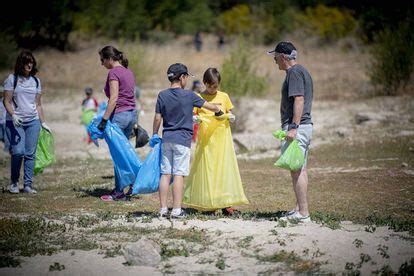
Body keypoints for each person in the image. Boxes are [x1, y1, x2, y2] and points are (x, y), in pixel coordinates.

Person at [151, 63, 222, 219]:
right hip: (182, 141)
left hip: (167, 139)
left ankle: (163, 209)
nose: (187, 81)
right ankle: (176, 210)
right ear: (182, 77)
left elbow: (157, 118)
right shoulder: (189, 95)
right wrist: (219, 110)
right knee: (178, 175)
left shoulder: (162, 95)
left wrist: (154, 134)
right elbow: (209, 106)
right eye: (187, 77)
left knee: (165, 174)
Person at [183, 68, 249, 215]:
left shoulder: (224, 96)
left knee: (223, 169)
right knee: (208, 170)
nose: (213, 89)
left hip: (222, 140)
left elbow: (229, 111)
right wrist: (194, 119)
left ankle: (226, 203)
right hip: (206, 141)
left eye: (216, 86)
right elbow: (193, 113)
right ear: (205, 83)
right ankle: (209, 204)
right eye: (210, 86)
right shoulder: (199, 97)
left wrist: (230, 116)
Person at [268, 41, 314, 222]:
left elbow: (299, 99)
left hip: (298, 127)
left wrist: (293, 127)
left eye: (275, 57)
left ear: (283, 57)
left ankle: (303, 213)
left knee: (297, 170)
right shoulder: (300, 71)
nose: (274, 60)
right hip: (304, 126)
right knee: (300, 169)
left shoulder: (294, 72)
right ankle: (299, 209)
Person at [3, 50, 51, 194]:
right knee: (18, 152)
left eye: (31, 62)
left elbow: (38, 105)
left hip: (33, 121)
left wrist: (43, 122)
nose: (29, 65)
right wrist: (13, 115)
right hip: (15, 121)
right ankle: (14, 183)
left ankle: (28, 185)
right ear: (20, 63)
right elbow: (6, 101)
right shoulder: (12, 79)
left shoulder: (36, 81)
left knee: (30, 153)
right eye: (26, 62)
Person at [97, 45, 137, 201]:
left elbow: (113, 99)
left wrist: (103, 120)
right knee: (125, 153)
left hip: (119, 116)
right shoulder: (129, 72)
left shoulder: (113, 72)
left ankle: (119, 192)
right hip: (131, 115)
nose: (102, 64)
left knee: (118, 155)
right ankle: (132, 184)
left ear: (109, 58)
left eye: (102, 60)